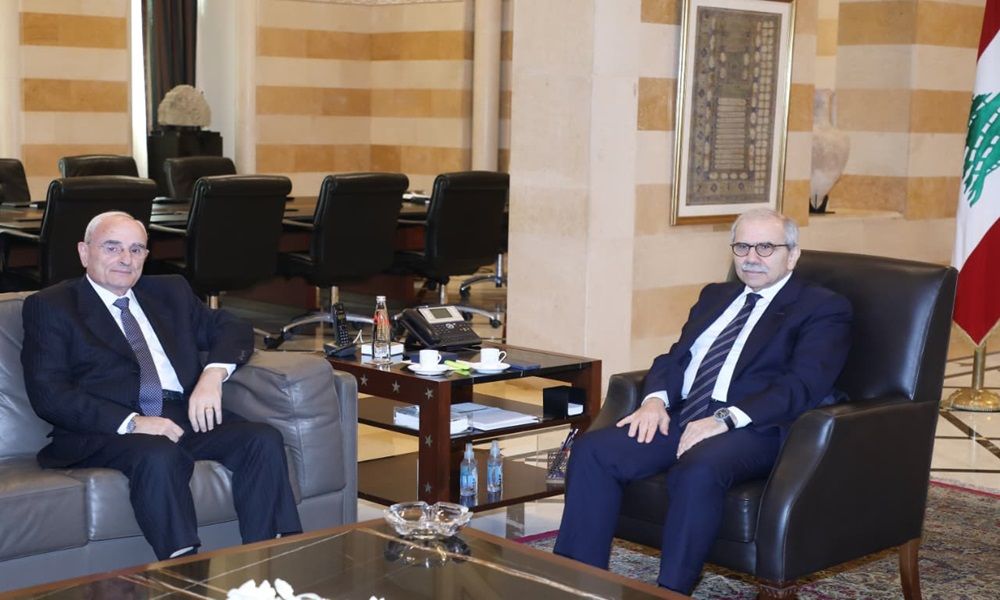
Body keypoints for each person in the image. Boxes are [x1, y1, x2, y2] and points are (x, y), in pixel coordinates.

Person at [553, 208, 852, 593]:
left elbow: (802, 385)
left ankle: (670, 591)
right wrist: (655, 401)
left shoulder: (822, 307)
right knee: (593, 450)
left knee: (698, 468)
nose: (751, 257)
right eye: (742, 246)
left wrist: (724, 418)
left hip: (755, 425)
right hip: (686, 413)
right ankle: (579, 583)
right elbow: (675, 357)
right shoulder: (716, 295)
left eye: (766, 247)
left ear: (792, 255)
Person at [21, 211, 302, 560]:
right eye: (112, 247)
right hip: (106, 428)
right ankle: (183, 569)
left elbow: (233, 327)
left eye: (136, 249)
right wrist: (134, 423)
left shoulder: (169, 292)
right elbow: (49, 394)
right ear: (84, 252)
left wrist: (213, 375)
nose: (126, 259)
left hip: (180, 414)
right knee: (158, 454)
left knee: (261, 439)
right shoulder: (52, 306)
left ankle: (270, 558)